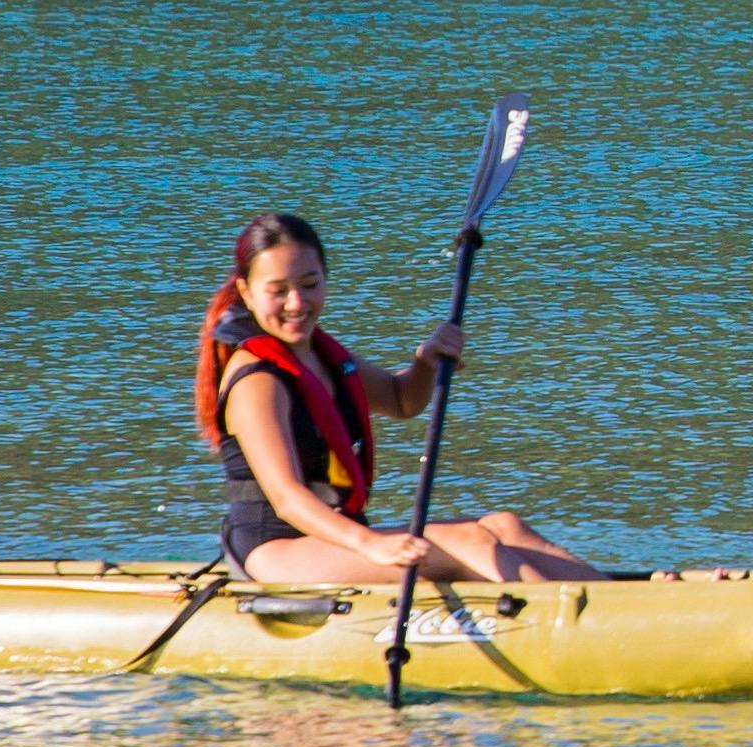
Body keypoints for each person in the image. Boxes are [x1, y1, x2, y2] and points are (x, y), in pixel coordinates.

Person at [195, 209, 595, 584]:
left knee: (503, 526)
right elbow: (288, 499)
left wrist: (426, 361)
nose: (297, 303)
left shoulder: (318, 355)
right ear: (246, 293)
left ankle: (619, 595)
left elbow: (402, 400)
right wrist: (372, 544)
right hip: (274, 549)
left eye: (310, 285)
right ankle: (567, 620)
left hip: (335, 539)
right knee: (471, 542)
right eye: (277, 291)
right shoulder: (257, 380)